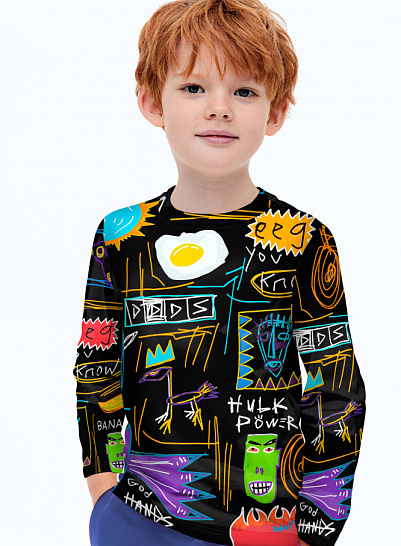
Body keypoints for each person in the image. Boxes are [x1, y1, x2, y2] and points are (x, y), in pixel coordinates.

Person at [73, 1, 366, 545]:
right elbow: (97, 368)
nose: (219, 109)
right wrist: (104, 489)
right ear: (151, 101)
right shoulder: (119, 236)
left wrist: (317, 524)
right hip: (137, 518)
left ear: (275, 113)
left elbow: (336, 388)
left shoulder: (303, 239)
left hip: (269, 525)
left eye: (245, 92)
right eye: (193, 87)